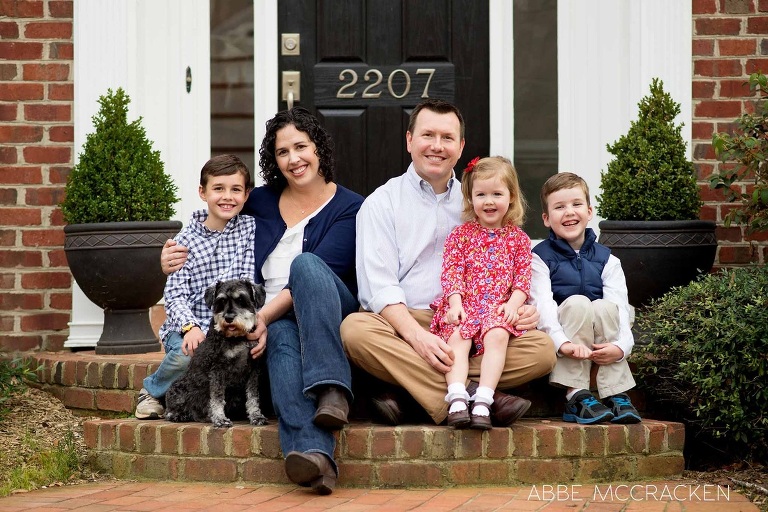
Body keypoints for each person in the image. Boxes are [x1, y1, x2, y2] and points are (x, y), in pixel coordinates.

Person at [160, 107, 364, 495]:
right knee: (282, 345)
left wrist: (259, 319)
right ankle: (312, 456)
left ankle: (332, 387)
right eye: (282, 152)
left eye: (301, 146)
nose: (294, 159)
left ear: (319, 148)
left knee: (304, 266)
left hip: (327, 310)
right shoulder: (262, 201)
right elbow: (212, 215)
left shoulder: (350, 207)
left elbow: (327, 269)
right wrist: (171, 254)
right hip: (276, 320)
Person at [341, 99, 556, 427]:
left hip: (478, 320)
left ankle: (415, 393)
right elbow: (378, 289)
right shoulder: (382, 203)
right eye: (428, 135)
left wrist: (527, 305)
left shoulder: (483, 196)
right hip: (406, 321)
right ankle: (475, 393)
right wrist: (417, 336)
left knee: (542, 350)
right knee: (355, 330)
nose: (437, 146)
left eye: (447, 137)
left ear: (461, 146)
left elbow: (519, 258)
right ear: (409, 140)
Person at [136, 154, 257, 420]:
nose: (227, 196)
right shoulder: (184, 241)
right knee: (185, 356)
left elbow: (248, 275)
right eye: (218, 189)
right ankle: (152, 391)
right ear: (202, 192)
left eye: (236, 189)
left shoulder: (249, 229)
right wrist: (190, 328)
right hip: (192, 328)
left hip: (232, 324)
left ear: (247, 194)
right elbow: (175, 294)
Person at [529, 172, 641, 424]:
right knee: (579, 302)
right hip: (563, 333)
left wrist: (621, 348)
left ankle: (616, 392)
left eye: (576, 204)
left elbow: (620, 308)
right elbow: (544, 307)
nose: (569, 212)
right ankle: (576, 394)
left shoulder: (607, 259)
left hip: (600, 332)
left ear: (589, 211)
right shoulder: (540, 257)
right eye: (559, 207)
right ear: (546, 218)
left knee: (605, 306)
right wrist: (561, 343)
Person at [430, 156, 533, 430]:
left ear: (511, 197)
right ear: (470, 198)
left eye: (497, 194)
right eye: (481, 194)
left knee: (498, 335)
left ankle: (484, 399)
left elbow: (523, 278)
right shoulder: (460, 235)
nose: (489, 201)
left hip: (496, 308)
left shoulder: (519, 239)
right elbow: (452, 271)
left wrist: (513, 304)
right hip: (466, 304)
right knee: (457, 338)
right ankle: (457, 400)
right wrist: (454, 304)